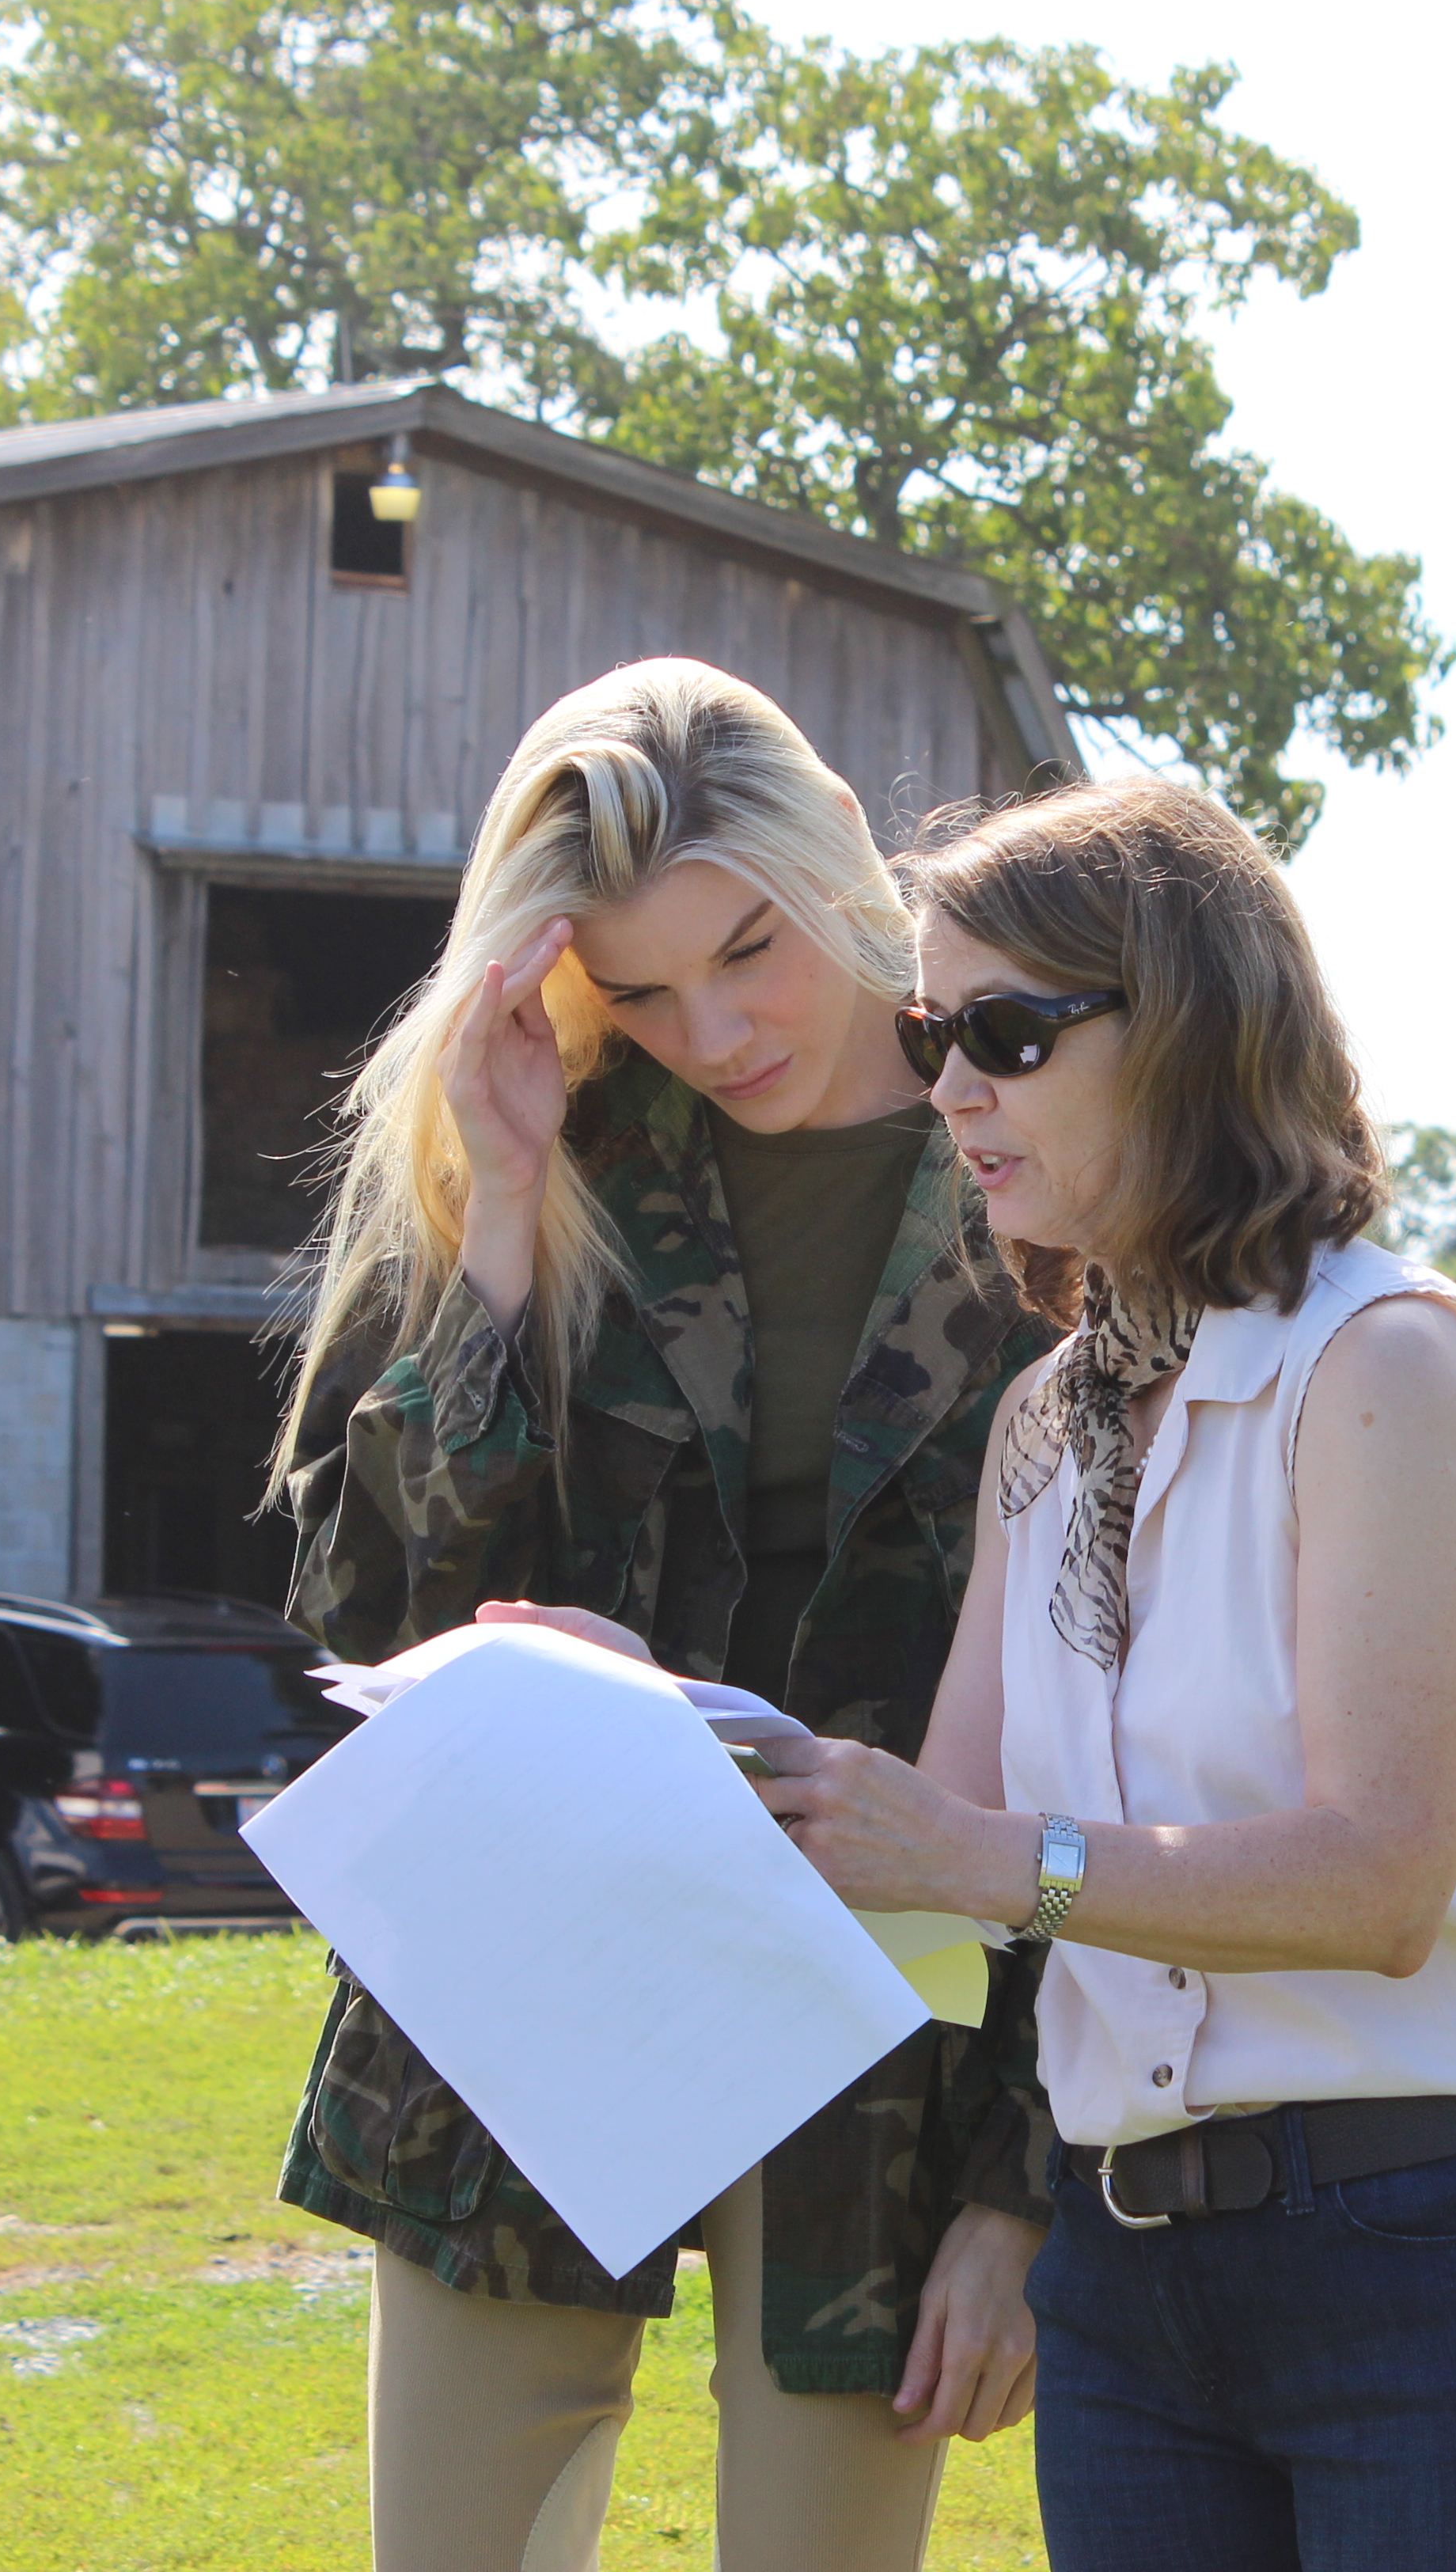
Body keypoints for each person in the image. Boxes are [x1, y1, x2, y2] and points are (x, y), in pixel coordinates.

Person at [742, 776, 1456, 2571]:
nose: (949, 1088)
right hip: (1129, 2290)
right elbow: (923, 1840)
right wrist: (614, 1713)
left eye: (1006, 1034)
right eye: (931, 1032)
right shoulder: (1042, 1416)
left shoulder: (1396, 1371)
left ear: (1187, 1030)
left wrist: (976, 1863)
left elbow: (1378, 1879)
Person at [268, 658, 1056, 2572]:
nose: (709, 1027)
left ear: (845, 852)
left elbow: (1135, 1697)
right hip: (532, 1979)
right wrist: (510, 1219)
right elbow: (372, 1619)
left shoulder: (1044, 1147)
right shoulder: (549, 1147)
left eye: (750, 949)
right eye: (635, 985)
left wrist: (1027, 2196)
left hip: (897, 2022)